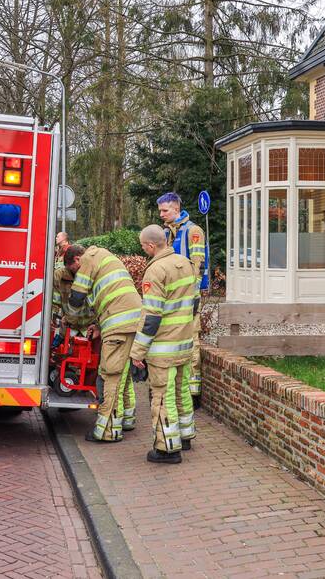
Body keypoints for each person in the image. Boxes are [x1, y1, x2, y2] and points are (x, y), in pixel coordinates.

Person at [131, 225, 199, 464]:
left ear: (151, 246)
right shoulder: (186, 263)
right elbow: (195, 302)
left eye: (143, 246)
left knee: (162, 396)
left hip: (163, 348)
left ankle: (167, 448)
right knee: (182, 391)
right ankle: (185, 436)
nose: (143, 249)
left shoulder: (155, 271)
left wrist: (137, 352)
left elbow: (151, 316)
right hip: (185, 342)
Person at [64, 244, 142, 441]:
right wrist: (98, 325)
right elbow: (110, 295)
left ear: (76, 260)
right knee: (123, 373)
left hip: (118, 324)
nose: (75, 274)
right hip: (132, 321)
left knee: (109, 375)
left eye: (73, 271)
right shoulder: (105, 256)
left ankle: (108, 431)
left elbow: (77, 297)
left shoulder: (87, 259)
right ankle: (126, 419)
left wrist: (68, 318)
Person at [157, 192, 208, 400]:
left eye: (165, 210)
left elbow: (198, 265)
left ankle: (193, 391)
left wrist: (192, 296)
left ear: (176, 209)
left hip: (187, 296)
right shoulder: (166, 232)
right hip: (172, 295)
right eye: (160, 210)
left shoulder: (193, 231)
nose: (161, 214)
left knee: (191, 338)